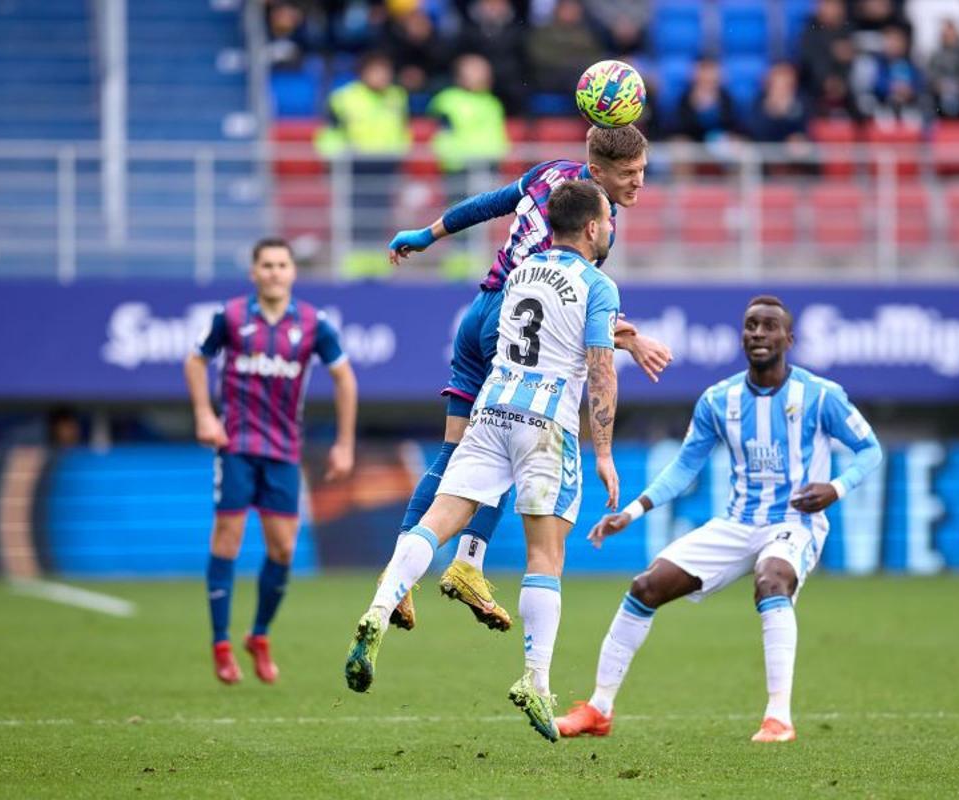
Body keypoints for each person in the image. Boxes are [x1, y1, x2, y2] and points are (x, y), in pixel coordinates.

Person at [345, 181, 622, 742]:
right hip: (546, 428)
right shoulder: (599, 285)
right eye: (608, 221)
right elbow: (599, 369)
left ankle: (381, 605)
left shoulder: (520, 272)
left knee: (437, 519)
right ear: (592, 228)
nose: (613, 228)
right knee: (546, 554)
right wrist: (605, 451)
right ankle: (535, 680)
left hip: (492, 410)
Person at [379, 124, 671, 634]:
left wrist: (428, 235)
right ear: (599, 174)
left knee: (458, 453)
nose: (639, 183)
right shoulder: (599, 225)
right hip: (511, 321)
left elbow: (488, 204)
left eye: (642, 172)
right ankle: (469, 561)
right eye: (630, 174)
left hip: (478, 311)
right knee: (515, 438)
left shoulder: (550, 171)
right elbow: (570, 307)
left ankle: (397, 576)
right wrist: (629, 341)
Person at [555, 296, 883, 743]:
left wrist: (836, 488)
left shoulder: (820, 396)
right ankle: (599, 709)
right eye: (751, 326)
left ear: (789, 339)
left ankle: (778, 717)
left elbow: (871, 451)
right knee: (644, 587)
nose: (758, 334)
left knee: (772, 579)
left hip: (794, 521)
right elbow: (685, 467)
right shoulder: (717, 400)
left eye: (769, 327)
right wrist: (631, 512)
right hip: (737, 523)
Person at [184, 237, 357, 685]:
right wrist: (205, 414)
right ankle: (220, 643)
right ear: (253, 272)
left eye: (282, 264)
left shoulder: (314, 324)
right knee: (228, 539)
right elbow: (195, 361)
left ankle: (258, 635)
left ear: (292, 273)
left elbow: (345, 379)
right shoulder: (232, 316)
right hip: (237, 445)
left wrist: (344, 443)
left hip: (283, 451)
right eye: (267, 265)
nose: (275, 271)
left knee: (282, 548)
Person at [314, 51, 411, 276]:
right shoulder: (343, 97)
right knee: (356, 218)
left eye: (385, 71)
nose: (382, 76)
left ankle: (378, 265)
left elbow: (402, 129)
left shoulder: (397, 96)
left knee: (382, 217)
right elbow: (329, 133)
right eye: (376, 71)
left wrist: (401, 154)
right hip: (354, 167)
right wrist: (336, 159)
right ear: (363, 73)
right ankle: (355, 267)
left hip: (386, 166)